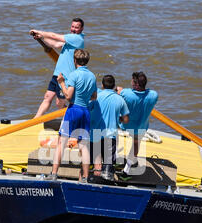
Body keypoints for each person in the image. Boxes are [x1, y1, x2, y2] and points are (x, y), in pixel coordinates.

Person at [46, 49, 97, 182]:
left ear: (75, 61)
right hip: (85, 111)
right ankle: (85, 177)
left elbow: (68, 96)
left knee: (61, 142)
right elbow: (94, 96)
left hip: (74, 109)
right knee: (83, 145)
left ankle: (54, 173)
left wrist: (62, 82)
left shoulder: (74, 75)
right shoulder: (92, 76)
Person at [30, 18, 85, 118]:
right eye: (72, 26)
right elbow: (55, 44)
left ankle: (72, 118)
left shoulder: (77, 39)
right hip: (57, 75)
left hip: (65, 78)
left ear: (81, 29)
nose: (73, 29)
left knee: (59, 103)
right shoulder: (70, 40)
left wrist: (40, 32)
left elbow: (54, 36)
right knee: (47, 97)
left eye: (76, 27)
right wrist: (41, 38)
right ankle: (35, 120)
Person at [117, 72, 158, 176]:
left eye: (132, 81)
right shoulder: (153, 95)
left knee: (112, 127)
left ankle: (114, 155)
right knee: (136, 144)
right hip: (141, 126)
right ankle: (127, 168)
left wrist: (119, 89)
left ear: (136, 84)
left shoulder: (126, 93)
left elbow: (119, 92)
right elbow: (148, 94)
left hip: (125, 124)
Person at [89, 75, 129, 180]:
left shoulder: (96, 96)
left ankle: (94, 181)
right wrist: (118, 119)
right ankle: (106, 180)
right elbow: (126, 120)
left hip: (96, 134)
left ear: (102, 85)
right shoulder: (120, 99)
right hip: (110, 136)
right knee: (108, 164)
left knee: (96, 164)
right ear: (114, 85)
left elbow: (88, 108)